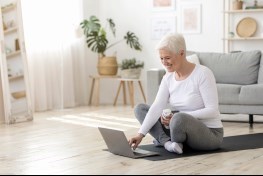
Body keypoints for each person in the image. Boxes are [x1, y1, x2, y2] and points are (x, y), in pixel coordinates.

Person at [128, 33, 224, 154]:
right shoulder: (168, 77)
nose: (164, 62)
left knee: (178, 117)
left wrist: (177, 117)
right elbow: (157, 106)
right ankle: (168, 144)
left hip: (210, 134)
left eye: (167, 58)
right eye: (161, 58)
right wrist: (140, 135)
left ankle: (163, 140)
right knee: (140, 108)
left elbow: (212, 111)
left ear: (182, 53)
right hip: (178, 130)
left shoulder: (203, 74)